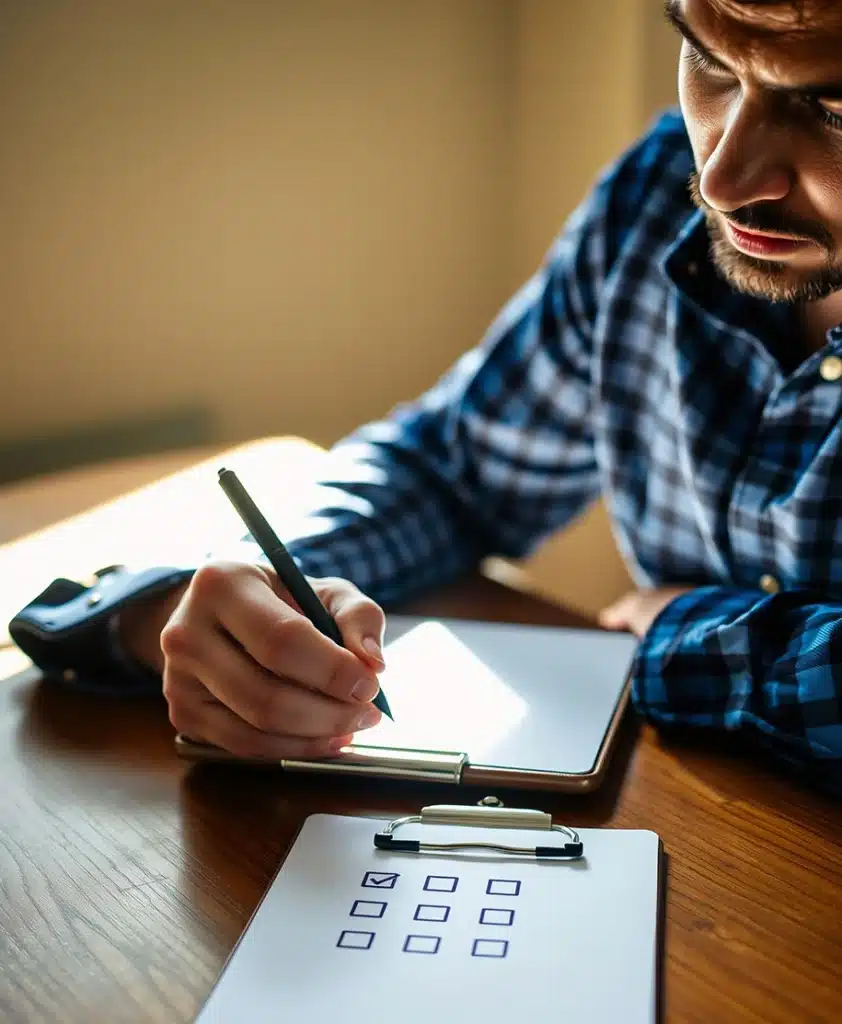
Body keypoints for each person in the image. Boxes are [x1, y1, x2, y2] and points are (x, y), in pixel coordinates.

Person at [10, 0, 842, 792]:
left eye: (831, 111)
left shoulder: (708, 189)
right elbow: (453, 469)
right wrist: (230, 592)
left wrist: (682, 639)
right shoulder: (655, 197)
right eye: (709, 60)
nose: (725, 179)